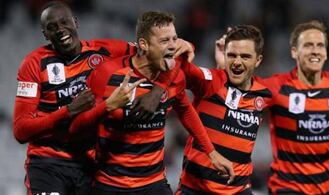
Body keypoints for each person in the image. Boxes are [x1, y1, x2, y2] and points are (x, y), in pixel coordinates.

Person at [13, 1, 195, 194]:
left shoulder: (104, 51)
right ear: (45, 35)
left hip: (89, 163)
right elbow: (21, 130)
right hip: (49, 162)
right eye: (52, 27)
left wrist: (158, 90)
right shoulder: (33, 64)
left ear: (75, 22)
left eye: (65, 22)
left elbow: (168, 51)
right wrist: (68, 112)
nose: (60, 30)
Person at [68, 11, 235, 195]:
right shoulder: (107, 75)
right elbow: (75, 128)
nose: (173, 47)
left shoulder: (175, 76)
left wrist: (212, 153)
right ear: (144, 45)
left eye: (175, 39)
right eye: (165, 41)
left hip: (154, 184)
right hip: (110, 185)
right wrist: (107, 107)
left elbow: (186, 110)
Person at [216, 20, 329, 194]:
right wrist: (227, 61)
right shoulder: (277, 87)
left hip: (325, 188)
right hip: (285, 187)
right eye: (308, 45)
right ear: (294, 51)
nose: (315, 51)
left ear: (326, 52)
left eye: (320, 46)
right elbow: (239, 87)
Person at [176, 25, 272, 194]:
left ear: (258, 60)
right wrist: (187, 47)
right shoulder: (212, 81)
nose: (237, 61)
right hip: (196, 189)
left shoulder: (265, 94)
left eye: (245, 56)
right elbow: (181, 69)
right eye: (232, 55)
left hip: (238, 189)